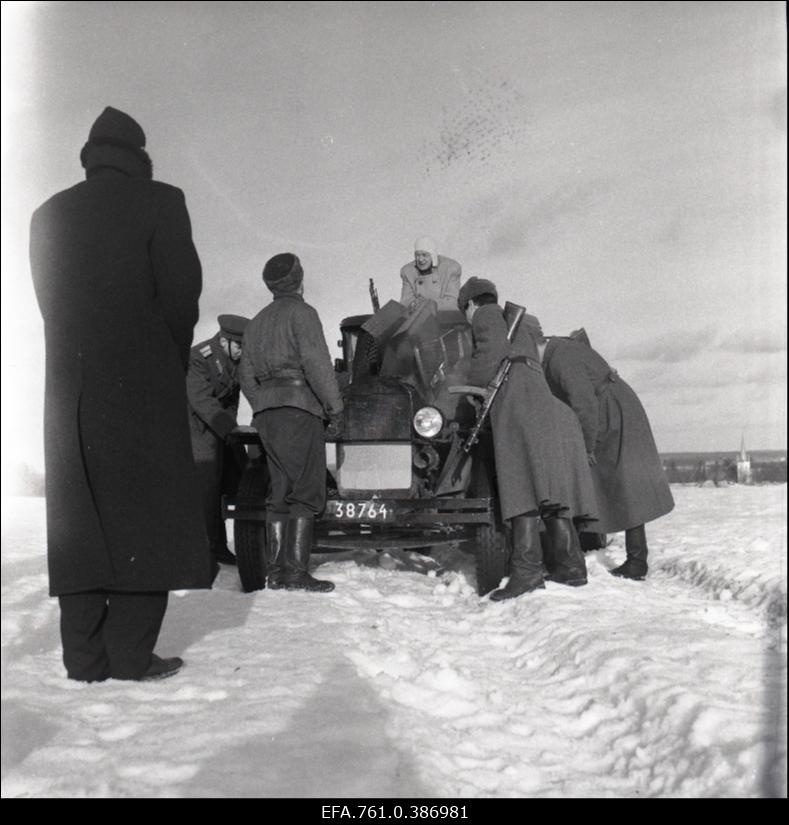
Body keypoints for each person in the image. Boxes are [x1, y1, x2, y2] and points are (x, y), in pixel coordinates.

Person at [28, 106, 212, 682]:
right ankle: (130, 655)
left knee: (80, 520)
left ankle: (83, 659)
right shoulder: (162, 202)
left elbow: (47, 303)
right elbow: (182, 296)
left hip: (69, 393)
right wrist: (167, 358)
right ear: (140, 157)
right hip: (142, 383)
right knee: (146, 517)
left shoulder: (47, 215)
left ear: (90, 158)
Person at [458, 278, 597, 601]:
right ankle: (571, 567)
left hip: (517, 402)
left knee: (520, 486)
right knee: (548, 489)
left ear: (470, 304)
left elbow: (489, 357)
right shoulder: (516, 321)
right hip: (541, 400)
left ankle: (527, 572)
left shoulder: (486, 315)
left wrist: (469, 388)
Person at [239, 253, 343, 593]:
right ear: (299, 281)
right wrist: (335, 405)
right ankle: (296, 573)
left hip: (267, 413)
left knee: (279, 491)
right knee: (307, 490)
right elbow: (316, 363)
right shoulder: (303, 313)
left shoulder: (255, 322)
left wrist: (263, 404)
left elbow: (246, 376)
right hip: (300, 409)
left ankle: (277, 572)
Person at [538, 330, 675, 580]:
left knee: (626, 485)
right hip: (613, 408)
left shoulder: (561, 359)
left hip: (612, 412)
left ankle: (632, 561)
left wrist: (586, 447)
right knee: (620, 484)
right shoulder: (558, 351)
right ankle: (632, 559)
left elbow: (584, 405)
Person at [187, 314, 250, 567]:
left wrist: (231, 430)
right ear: (224, 341)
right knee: (206, 491)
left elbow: (232, 399)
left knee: (233, 483)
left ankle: (219, 545)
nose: (242, 352)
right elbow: (203, 401)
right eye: (239, 346)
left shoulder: (235, 359)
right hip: (197, 432)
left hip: (220, 432)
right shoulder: (197, 358)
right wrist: (230, 431)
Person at [399, 236, 461, 312]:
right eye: (417, 255)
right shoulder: (408, 271)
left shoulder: (450, 268)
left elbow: (451, 303)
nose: (420, 259)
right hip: (418, 318)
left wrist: (425, 304)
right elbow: (405, 302)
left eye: (424, 255)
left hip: (443, 316)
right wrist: (415, 304)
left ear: (433, 256)